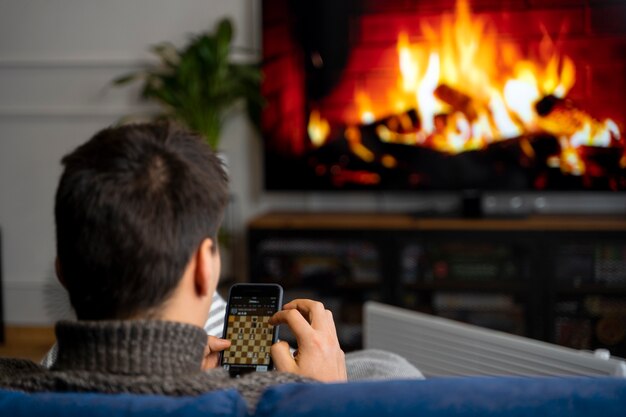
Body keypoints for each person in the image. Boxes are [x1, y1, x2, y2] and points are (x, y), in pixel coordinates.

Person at [0, 123, 421, 408]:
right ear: (205, 266)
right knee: (387, 366)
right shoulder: (276, 402)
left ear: (62, 269)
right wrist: (323, 401)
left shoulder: (12, 386)